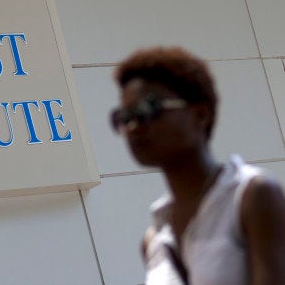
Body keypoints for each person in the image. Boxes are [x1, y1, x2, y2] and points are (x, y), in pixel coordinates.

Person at [110, 47, 285, 285]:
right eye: (124, 117)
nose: (134, 126)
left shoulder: (252, 196)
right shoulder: (154, 238)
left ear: (199, 114)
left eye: (148, 109)